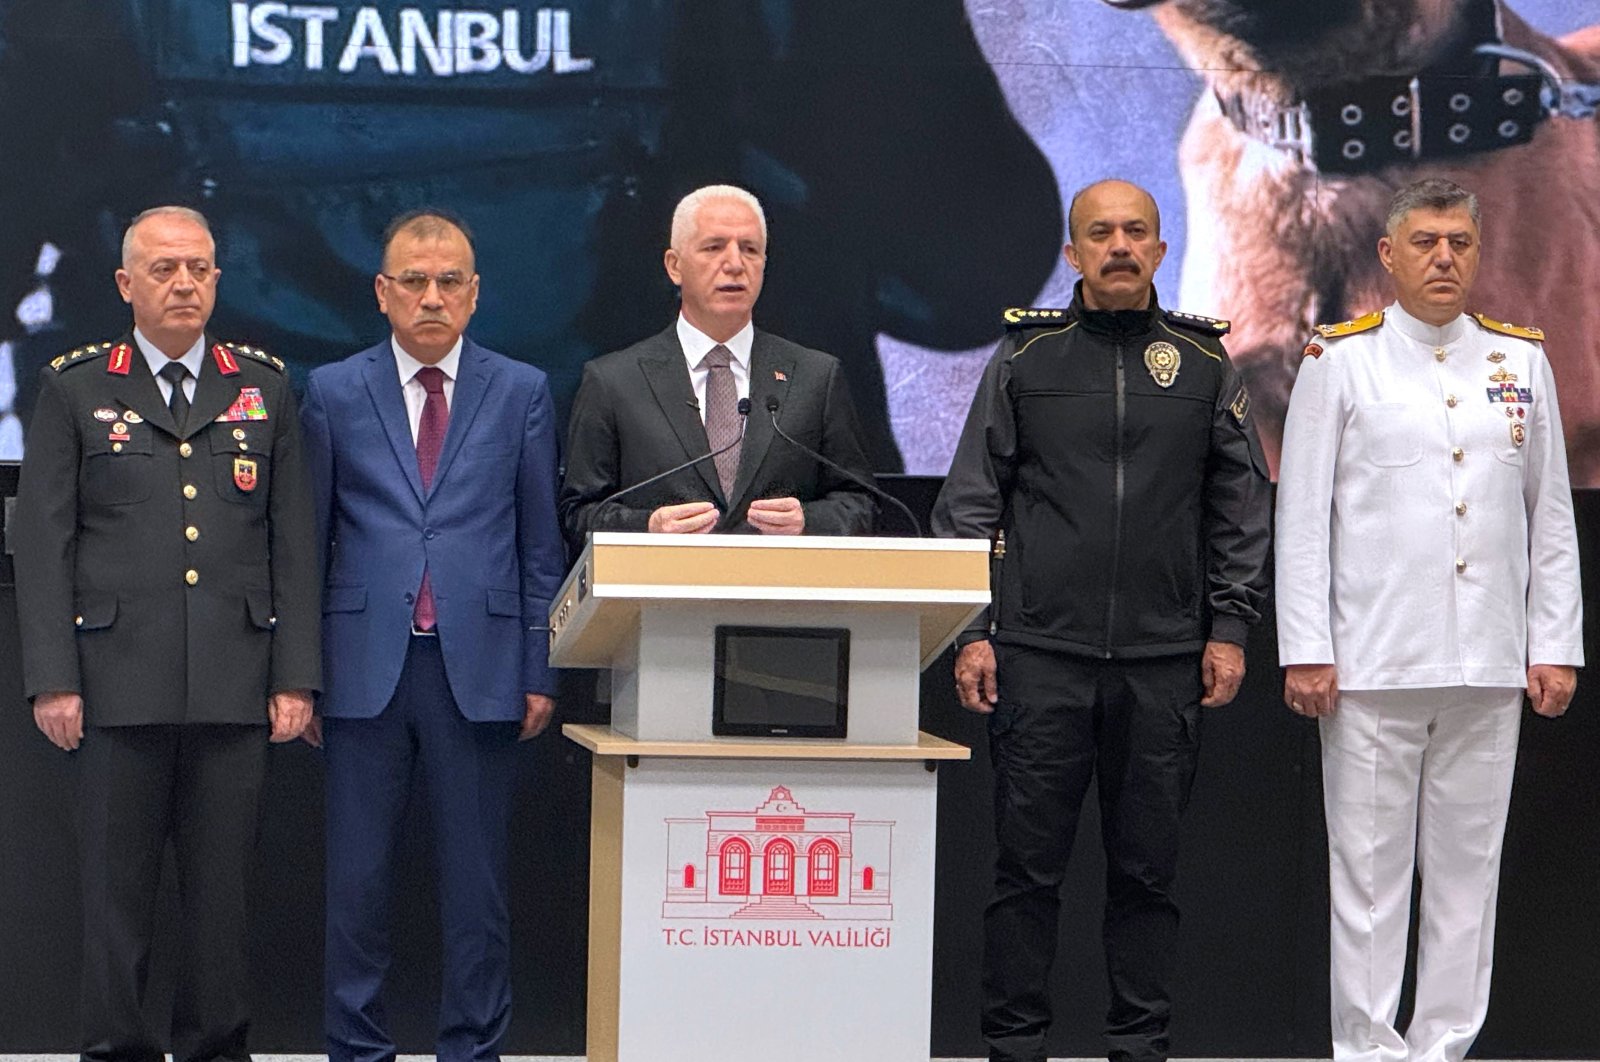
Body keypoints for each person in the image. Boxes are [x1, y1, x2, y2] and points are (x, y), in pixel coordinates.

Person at [932, 178, 1272, 1062]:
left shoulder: (1203, 366)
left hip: (1164, 664)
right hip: (1040, 658)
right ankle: (1013, 1048)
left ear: (1161, 249)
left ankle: (1139, 1048)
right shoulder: (1024, 361)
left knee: (1147, 879)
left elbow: (1239, 507)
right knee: (1024, 877)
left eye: (1136, 233)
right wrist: (973, 632)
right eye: (1100, 234)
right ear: (1072, 252)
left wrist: (1230, 627)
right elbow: (970, 506)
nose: (1119, 247)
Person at [1275, 177, 1582, 1062]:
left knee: (1464, 881)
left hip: (1487, 663)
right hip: (1371, 665)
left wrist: (1554, 644)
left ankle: (1444, 1046)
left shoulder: (1519, 364)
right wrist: (1307, 649)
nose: (1443, 257)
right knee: (1368, 882)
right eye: (1425, 242)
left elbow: (1549, 518)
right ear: (1389, 254)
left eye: (1459, 242)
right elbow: (1303, 521)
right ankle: (1368, 1051)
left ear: (1478, 254)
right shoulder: (1342, 361)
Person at [11, 205, 319, 1061]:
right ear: (125, 284)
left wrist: (296, 676)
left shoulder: (263, 386)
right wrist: (52, 677)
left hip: (235, 684)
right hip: (112, 685)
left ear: (218, 277)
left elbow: (292, 542)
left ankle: (217, 1050)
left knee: (222, 907)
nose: (183, 283)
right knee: (116, 905)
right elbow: (44, 544)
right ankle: (116, 1051)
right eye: (162, 269)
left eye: (198, 268)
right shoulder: (74, 386)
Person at [298, 209, 566, 1062]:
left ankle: (473, 1051)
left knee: (477, 893)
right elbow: (304, 545)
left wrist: (540, 666)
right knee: (357, 888)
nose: (431, 297)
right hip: (360, 672)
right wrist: (299, 673)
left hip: (481, 669)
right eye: (412, 281)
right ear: (382, 293)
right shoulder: (334, 391)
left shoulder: (521, 390)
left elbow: (538, 543)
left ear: (476, 293)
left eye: (450, 280)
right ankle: (357, 1050)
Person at [559, 184, 876, 545]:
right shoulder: (613, 382)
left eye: (750, 249)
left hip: (777, 595)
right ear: (674, 267)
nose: (735, 264)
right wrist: (648, 528)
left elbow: (860, 503)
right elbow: (577, 514)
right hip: (661, 595)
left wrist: (809, 520)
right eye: (714, 247)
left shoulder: (816, 377)